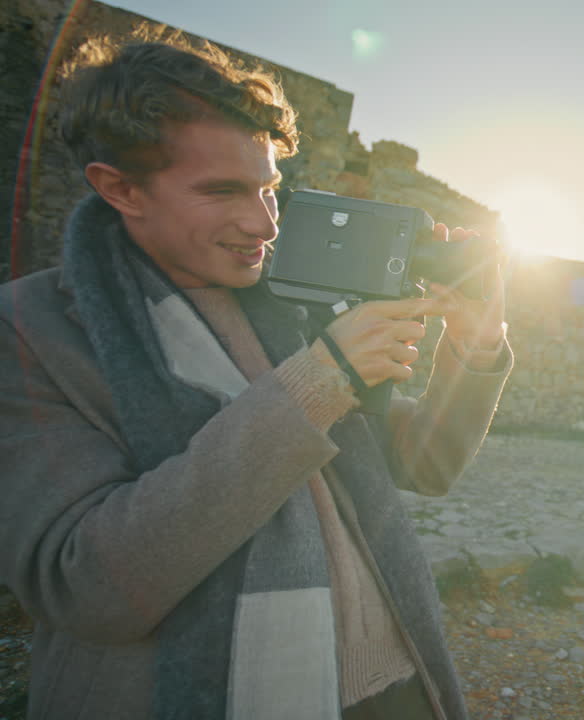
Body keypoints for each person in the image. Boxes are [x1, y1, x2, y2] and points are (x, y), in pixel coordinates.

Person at [0, 35, 511, 720]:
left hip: (392, 685)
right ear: (119, 187)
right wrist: (321, 380)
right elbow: (83, 584)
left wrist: (475, 350)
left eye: (270, 187)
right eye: (224, 191)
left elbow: (424, 463)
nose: (264, 222)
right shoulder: (32, 330)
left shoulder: (294, 296)